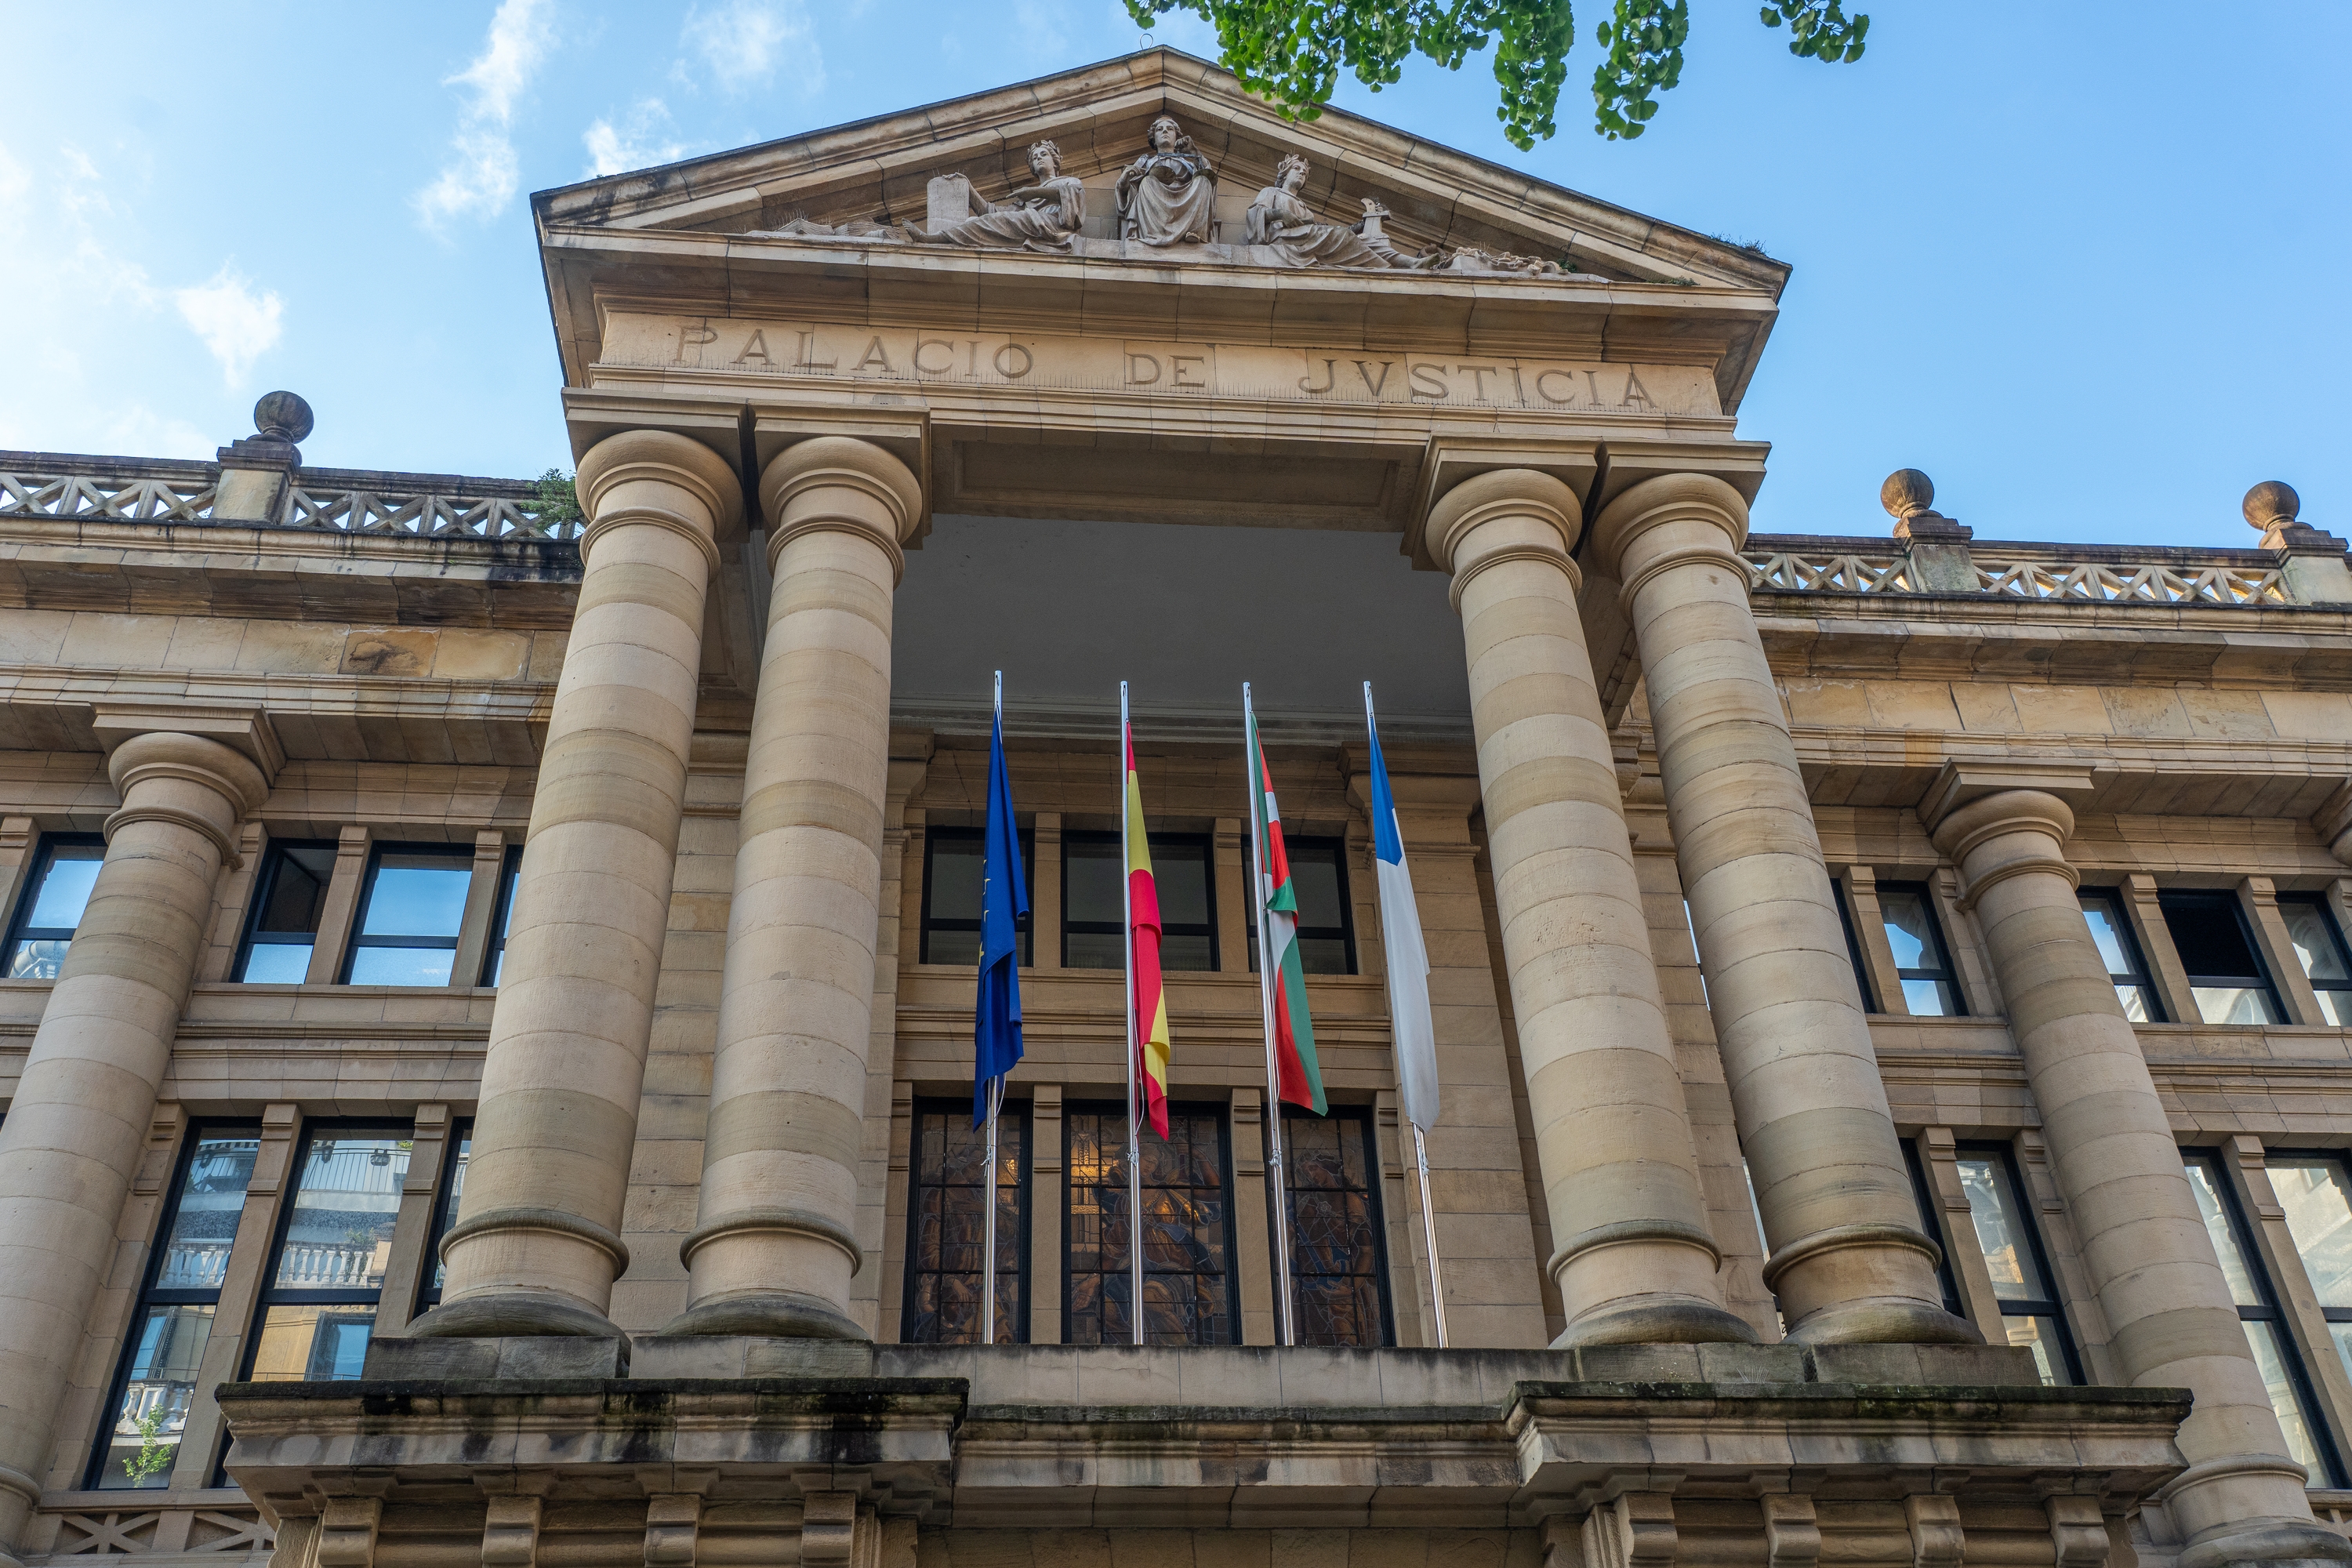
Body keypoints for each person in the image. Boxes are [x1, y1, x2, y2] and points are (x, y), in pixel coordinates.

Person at [904, 140, 1084, 252]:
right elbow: (989, 212)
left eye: (1043, 154)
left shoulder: (1069, 181)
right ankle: (937, 238)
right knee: (971, 222)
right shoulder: (1024, 202)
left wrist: (1033, 192)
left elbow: (1072, 201)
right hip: (1031, 222)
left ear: (1055, 161)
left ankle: (932, 238)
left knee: (1002, 220)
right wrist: (968, 186)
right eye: (1034, 157)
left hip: (1051, 225)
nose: (1038, 158)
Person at [1243, 153, 1396, 268]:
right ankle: (1385, 267)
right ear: (1284, 174)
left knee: (1363, 239)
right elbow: (1255, 213)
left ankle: (1408, 263)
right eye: (1296, 169)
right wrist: (1282, 214)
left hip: (1306, 238)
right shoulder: (1272, 192)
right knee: (1344, 236)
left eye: (1305, 172)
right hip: (1285, 238)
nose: (1302, 173)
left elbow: (1326, 231)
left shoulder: (1304, 207)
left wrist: (1361, 225)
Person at [1114, 116, 1216, 246]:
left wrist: (1194, 151)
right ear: (1154, 139)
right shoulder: (1146, 161)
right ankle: (1154, 233)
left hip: (1186, 198)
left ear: (1176, 136)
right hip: (1155, 198)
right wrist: (1125, 179)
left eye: (1170, 129)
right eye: (1160, 129)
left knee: (1203, 181)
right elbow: (1129, 187)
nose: (1165, 132)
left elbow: (1209, 176)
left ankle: (1194, 231)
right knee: (1147, 182)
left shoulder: (1188, 161)